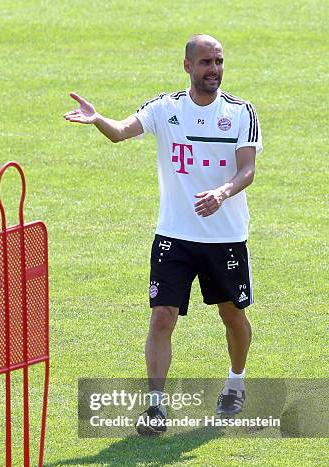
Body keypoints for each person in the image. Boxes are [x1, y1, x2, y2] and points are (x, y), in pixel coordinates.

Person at [64, 34, 262, 435]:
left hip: (224, 237)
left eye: (219, 61)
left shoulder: (241, 113)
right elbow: (121, 131)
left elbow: (247, 170)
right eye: (206, 62)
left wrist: (222, 193)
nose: (214, 70)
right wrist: (97, 119)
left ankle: (235, 382)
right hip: (174, 235)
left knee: (232, 315)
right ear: (188, 66)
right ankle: (155, 408)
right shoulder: (165, 108)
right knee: (161, 318)